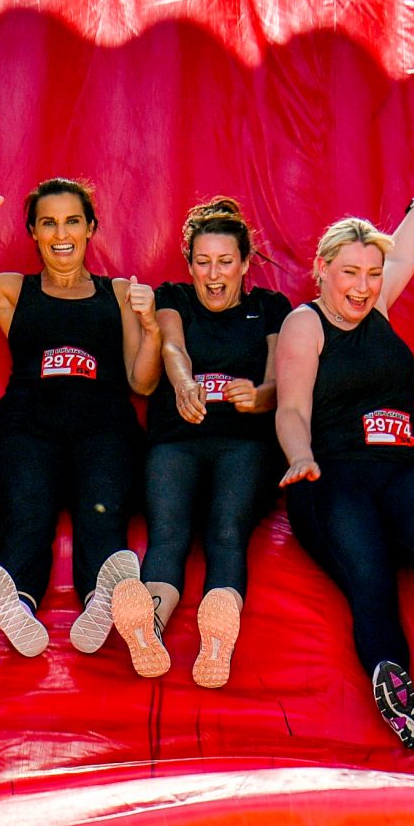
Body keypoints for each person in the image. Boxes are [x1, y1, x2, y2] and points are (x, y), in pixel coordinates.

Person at [275, 190, 414, 748]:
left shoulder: (377, 306)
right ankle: (397, 694)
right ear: (322, 269)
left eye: (372, 274)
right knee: (368, 575)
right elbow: (291, 408)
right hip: (333, 477)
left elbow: (404, 257)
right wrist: (300, 456)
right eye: (350, 272)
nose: (363, 286)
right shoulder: (306, 324)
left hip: (403, 465)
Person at [0, 180, 161, 657]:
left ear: (91, 228)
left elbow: (143, 383)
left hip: (104, 429)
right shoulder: (13, 291)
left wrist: (149, 329)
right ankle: (19, 605)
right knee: (26, 514)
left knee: (102, 514)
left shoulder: (119, 293)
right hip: (27, 429)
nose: (61, 234)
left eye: (72, 222)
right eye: (49, 223)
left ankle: (101, 600)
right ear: (33, 232)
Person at [107, 197, 290, 687]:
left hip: (243, 442)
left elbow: (279, 382)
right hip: (178, 437)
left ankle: (216, 640)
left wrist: (260, 396)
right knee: (168, 531)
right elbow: (173, 346)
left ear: (245, 264)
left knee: (226, 530)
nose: (213, 274)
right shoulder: (174, 297)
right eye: (203, 262)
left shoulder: (270, 308)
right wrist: (184, 384)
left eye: (225, 262)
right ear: (189, 265)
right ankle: (149, 627)